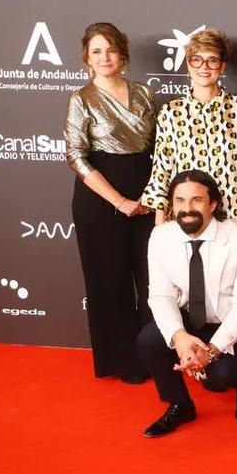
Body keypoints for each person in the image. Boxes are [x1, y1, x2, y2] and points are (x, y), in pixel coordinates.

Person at [64, 22, 156, 383]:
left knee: (152, 282)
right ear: (87, 57)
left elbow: (157, 150)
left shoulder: (145, 94)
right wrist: (119, 200)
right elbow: (76, 157)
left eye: (111, 50)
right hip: (100, 199)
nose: (105, 57)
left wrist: (150, 197)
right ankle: (121, 361)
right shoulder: (81, 99)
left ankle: (153, 355)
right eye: (97, 50)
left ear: (123, 55)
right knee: (110, 280)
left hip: (146, 196)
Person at [137, 170, 237, 437]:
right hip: (188, 321)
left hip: (229, 327)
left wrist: (212, 351)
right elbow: (160, 295)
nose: (186, 209)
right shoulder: (161, 236)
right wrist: (179, 337)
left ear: (213, 204)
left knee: (221, 377)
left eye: (196, 200)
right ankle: (180, 404)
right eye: (179, 201)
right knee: (148, 341)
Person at [139, 27, 237, 224]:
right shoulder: (171, 112)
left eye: (212, 60)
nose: (204, 67)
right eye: (197, 59)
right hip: (186, 217)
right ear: (188, 63)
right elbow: (162, 168)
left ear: (222, 66)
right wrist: (159, 222)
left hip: (235, 212)